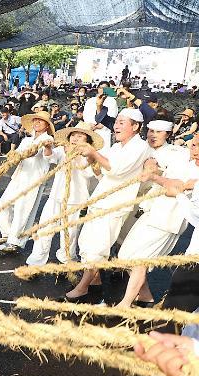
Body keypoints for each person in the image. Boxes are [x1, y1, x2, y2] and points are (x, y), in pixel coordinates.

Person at [65, 108, 153, 303]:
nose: (116, 126)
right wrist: (91, 159)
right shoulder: (117, 147)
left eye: (122, 122)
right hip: (102, 200)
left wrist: (94, 154)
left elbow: (116, 170)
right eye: (117, 122)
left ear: (136, 126)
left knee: (98, 246)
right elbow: (103, 172)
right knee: (87, 243)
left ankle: (83, 287)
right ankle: (94, 283)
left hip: (115, 204)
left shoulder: (140, 147)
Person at [115, 124, 199, 308]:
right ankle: (146, 297)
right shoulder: (180, 155)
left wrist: (154, 177)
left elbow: (174, 187)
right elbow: (154, 158)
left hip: (170, 220)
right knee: (125, 256)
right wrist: (151, 165)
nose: (196, 150)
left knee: (139, 261)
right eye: (194, 145)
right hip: (152, 211)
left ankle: (125, 304)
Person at [26, 123, 103, 266]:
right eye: (73, 135)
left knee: (70, 232)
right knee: (45, 228)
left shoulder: (89, 156)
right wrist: (48, 147)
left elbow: (91, 173)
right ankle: (36, 260)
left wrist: (81, 156)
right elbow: (50, 157)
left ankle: (67, 259)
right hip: (55, 196)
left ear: (87, 140)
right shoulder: (62, 149)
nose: (75, 139)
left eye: (80, 136)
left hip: (76, 199)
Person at [0, 111, 54, 254]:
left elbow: (40, 155)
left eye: (40, 121)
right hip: (20, 175)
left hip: (33, 179)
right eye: (35, 120)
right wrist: (11, 158)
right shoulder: (27, 140)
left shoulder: (48, 140)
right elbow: (18, 154)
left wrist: (43, 148)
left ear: (47, 126)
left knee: (23, 209)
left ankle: (14, 242)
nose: (37, 123)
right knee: (3, 205)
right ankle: (7, 233)